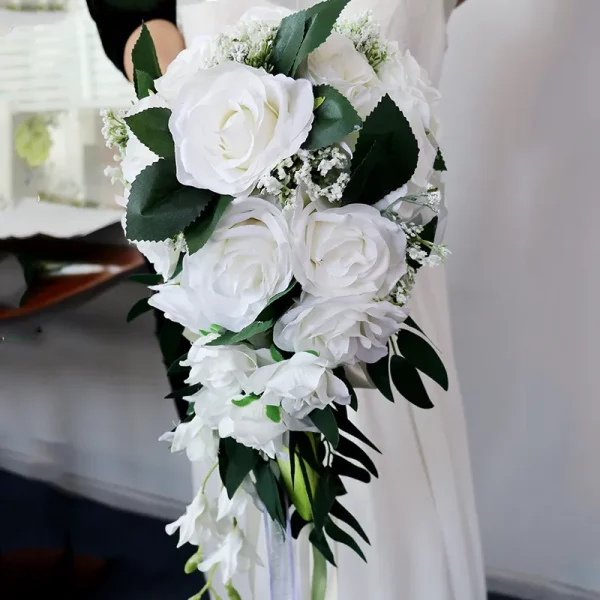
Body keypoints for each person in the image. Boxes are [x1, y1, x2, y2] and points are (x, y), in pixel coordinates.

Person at [87, 1, 485, 599]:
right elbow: (138, 20)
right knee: (262, 485)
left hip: (385, 275)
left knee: (402, 507)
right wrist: (196, 142)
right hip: (237, 265)